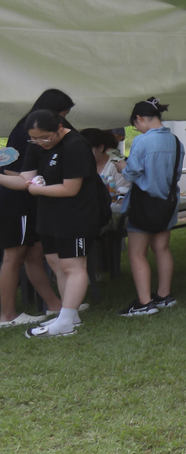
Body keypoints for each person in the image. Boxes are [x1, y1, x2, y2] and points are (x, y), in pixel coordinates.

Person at [0, 110, 107, 337]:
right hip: (48, 214)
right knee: (56, 263)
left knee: (74, 266)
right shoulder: (36, 145)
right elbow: (24, 180)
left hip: (77, 214)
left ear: (59, 128)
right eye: (34, 139)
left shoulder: (75, 145)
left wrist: (36, 188)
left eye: (45, 138)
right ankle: (70, 316)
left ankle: (65, 322)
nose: (40, 143)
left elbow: (71, 188)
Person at [0, 89, 72, 329]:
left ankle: (55, 304)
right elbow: (10, 171)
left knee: (34, 255)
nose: (62, 120)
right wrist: (37, 181)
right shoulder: (25, 131)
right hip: (15, 202)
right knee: (13, 257)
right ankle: (7, 315)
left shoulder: (32, 128)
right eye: (62, 114)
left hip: (30, 201)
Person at [119, 99, 183, 315]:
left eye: (135, 125)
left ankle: (144, 302)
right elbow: (176, 174)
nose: (137, 129)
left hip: (144, 202)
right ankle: (164, 295)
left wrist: (122, 166)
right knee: (162, 248)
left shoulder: (143, 142)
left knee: (137, 253)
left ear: (139, 119)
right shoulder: (175, 141)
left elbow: (131, 173)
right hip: (167, 201)